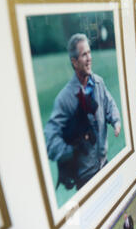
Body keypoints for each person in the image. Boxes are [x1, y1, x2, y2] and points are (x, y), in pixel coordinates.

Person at [45, 33, 121, 190]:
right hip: (85, 178)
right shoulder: (65, 98)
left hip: (103, 164)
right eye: (83, 55)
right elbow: (50, 142)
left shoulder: (98, 83)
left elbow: (109, 104)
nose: (89, 58)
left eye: (89, 52)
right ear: (74, 62)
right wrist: (72, 150)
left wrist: (116, 120)